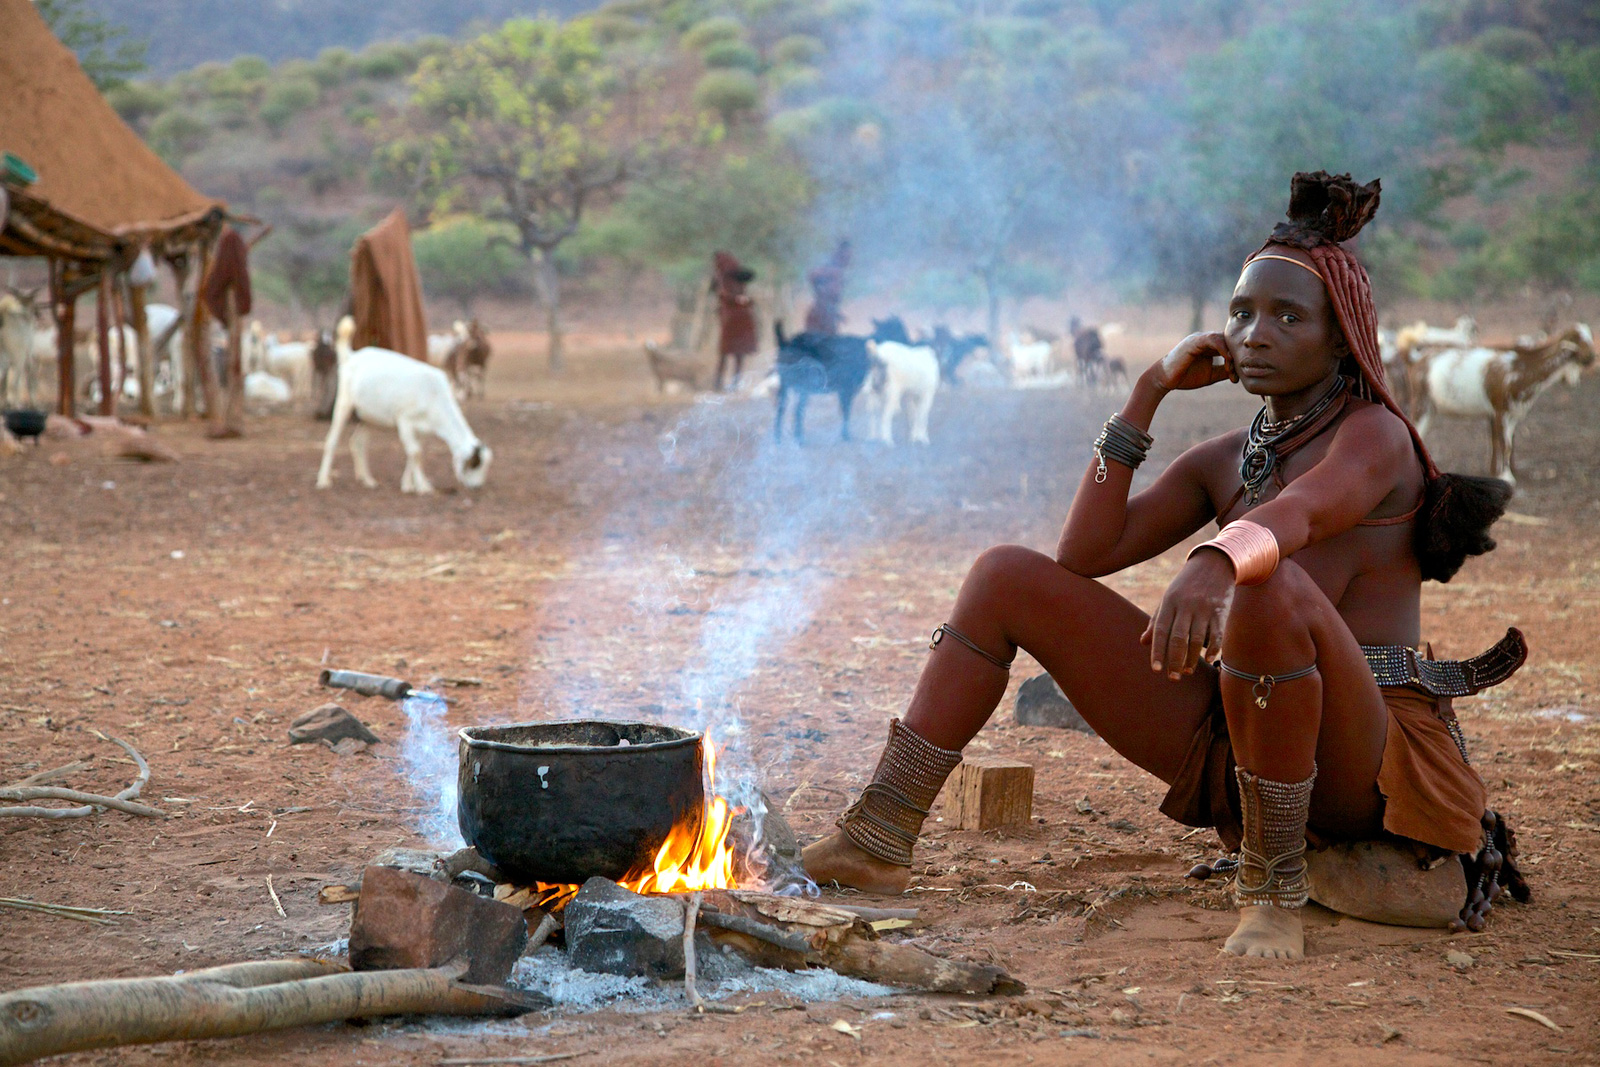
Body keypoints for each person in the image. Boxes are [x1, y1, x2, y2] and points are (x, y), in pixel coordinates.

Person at [802, 172, 1528, 960]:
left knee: (1267, 583)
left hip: (1366, 758)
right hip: (1241, 729)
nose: (1256, 332)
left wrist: (1218, 557)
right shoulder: (1228, 458)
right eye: (1243, 312)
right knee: (1003, 576)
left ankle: (1274, 891)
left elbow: (1306, 514)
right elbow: (1084, 553)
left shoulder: (1375, 436)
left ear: (1341, 336)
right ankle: (877, 838)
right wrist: (1148, 391)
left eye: (1289, 316)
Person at [712, 251, 758, 392]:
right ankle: (719, 383)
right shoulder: (722, 281)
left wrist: (743, 300)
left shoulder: (735, 279)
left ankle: (734, 383)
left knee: (738, 353)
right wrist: (739, 300)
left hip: (740, 320)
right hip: (731, 321)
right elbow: (724, 296)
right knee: (726, 353)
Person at [803, 240, 851, 336]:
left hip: (829, 316)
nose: (849, 258)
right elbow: (812, 275)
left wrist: (836, 313)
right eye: (847, 255)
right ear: (841, 253)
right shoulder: (832, 268)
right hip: (821, 317)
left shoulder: (840, 271)